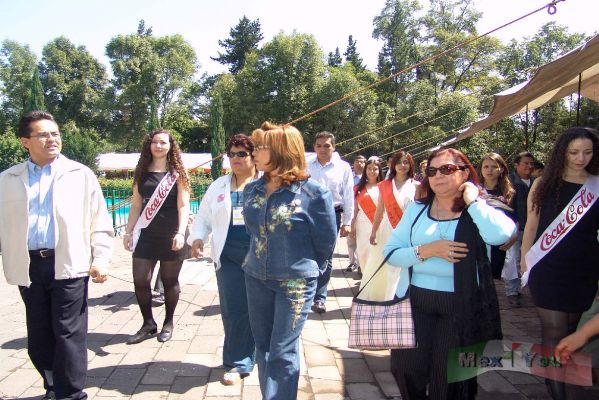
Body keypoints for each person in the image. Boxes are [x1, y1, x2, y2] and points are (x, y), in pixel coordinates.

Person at [383, 148, 516, 400]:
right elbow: (391, 253)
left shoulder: (478, 209)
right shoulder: (417, 209)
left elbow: (502, 234)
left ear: (464, 172)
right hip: (416, 301)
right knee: (405, 368)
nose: (438, 176)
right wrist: (426, 251)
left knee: (447, 377)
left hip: (460, 305)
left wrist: (473, 200)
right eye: (431, 171)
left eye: (447, 169)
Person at [0, 110, 114, 400]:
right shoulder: (9, 179)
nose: (52, 139)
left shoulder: (80, 174)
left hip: (69, 264)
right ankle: (52, 384)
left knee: (68, 334)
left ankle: (71, 394)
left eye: (55, 133)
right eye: (43, 134)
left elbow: (99, 220)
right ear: (25, 141)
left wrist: (100, 259)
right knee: (39, 335)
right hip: (28, 266)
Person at [243, 122, 337, 400]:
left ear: (282, 152)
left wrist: (303, 270)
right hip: (255, 278)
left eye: (261, 147)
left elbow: (326, 244)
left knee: (282, 351)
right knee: (263, 346)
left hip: (294, 283)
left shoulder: (313, 194)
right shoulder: (253, 189)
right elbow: (252, 232)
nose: (254, 152)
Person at [520, 127, 599, 399]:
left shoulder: (597, 185)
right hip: (548, 266)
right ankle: (557, 392)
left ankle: (561, 376)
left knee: (570, 331)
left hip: (584, 268)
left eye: (587, 152)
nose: (580, 158)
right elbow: (531, 226)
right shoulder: (543, 184)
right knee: (553, 330)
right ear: (562, 152)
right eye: (574, 152)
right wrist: (524, 259)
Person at [188, 134, 258, 385]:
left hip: (259, 255)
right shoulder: (218, 185)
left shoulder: (265, 183)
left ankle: (259, 353)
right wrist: (198, 238)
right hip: (227, 255)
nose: (236, 158)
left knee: (259, 308)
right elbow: (204, 216)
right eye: (232, 154)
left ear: (253, 157)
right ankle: (238, 361)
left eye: (241, 154)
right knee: (234, 308)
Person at [123, 129, 191, 344]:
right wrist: (128, 231)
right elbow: (136, 205)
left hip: (172, 232)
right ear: (149, 145)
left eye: (163, 142)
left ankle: (168, 323)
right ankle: (148, 324)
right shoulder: (141, 171)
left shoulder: (178, 172)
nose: (159, 146)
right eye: (155, 142)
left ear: (171, 146)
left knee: (170, 281)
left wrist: (181, 232)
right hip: (146, 233)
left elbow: (183, 204)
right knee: (140, 280)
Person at [361, 150, 418, 301]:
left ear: (411, 165)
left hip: (408, 232)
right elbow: (380, 210)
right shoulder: (384, 185)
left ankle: (398, 297)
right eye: (399, 162)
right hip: (387, 229)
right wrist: (373, 232)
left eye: (406, 162)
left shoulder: (416, 185)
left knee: (402, 267)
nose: (402, 165)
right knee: (385, 264)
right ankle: (385, 297)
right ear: (393, 165)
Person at [307, 131, 354, 313]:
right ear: (314, 146)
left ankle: (320, 298)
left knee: (326, 257)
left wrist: (347, 221)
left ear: (333, 147)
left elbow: (348, 196)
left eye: (326, 145)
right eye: (319, 145)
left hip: (332, 215)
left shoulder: (343, 167)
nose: (322, 149)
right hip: (308, 214)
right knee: (307, 254)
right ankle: (307, 294)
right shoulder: (307, 165)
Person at [502, 151, 535, 307]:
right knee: (513, 259)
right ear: (516, 165)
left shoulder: (537, 182)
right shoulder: (509, 182)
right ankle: (512, 292)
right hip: (514, 227)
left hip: (533, 228)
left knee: (532, 259)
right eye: (525, 163)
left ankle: (531, 288)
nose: (529, 166)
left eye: (531, 163)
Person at [477, 153, 515, 280]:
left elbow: (517, 217)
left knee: (496, 278)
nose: (489, 170)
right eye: (486, 167)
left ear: (502, 169)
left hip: (501, 243)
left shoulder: (510, 192)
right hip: (478, 241)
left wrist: (513, 238)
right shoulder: (474, 191)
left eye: (494, 166)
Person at [350, 156, 384, 278]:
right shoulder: (358, 188)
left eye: (375, 169)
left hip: (380, 224)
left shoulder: (385, 187)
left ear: (380, 171)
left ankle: (376, 281)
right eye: (369, 169)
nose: (372, 171)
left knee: (377, 252)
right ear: (365, 170)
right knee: (363, 252)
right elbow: (355, 209)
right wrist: (352, 225)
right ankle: (365, 278)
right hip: (362, 224)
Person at [345, 154, 366, 273]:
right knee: (351, 238)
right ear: (353, 163)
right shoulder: (349, 176)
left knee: (363, 238)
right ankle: (352, 262)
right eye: (357, 161)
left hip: (365, 212)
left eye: (362, 161)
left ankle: (361, 264)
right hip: (350, 209)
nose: (359, 163)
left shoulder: (369, 177)